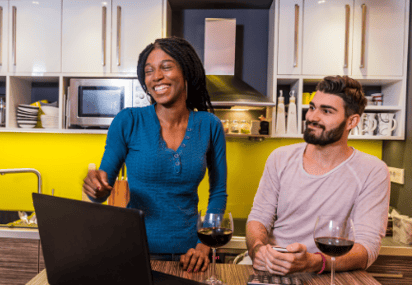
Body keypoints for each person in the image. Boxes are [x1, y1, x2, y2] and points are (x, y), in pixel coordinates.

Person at [83, 37, 227, 273]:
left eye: (166, 67)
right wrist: (95, 188)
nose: (156, 76)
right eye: (149, 71)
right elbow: (101, 191)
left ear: (186, 71)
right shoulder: (128, 121)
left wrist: (204, 246)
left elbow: (218, 192)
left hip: (189, 256)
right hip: (134, 251)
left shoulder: (210, 126)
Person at [246, 75, 390, 275]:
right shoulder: (280, 158)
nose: (312, 117)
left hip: (327, 276)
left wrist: (313, 263)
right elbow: (259, 217)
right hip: (272, 272)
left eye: (326, 111)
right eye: (312, 107)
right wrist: (257, 250)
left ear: (352, 121)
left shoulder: (373, 171)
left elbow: (367, 249)